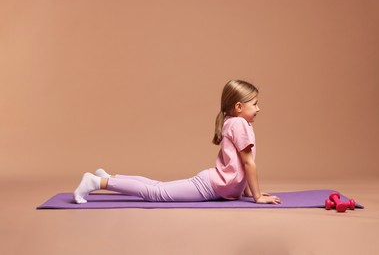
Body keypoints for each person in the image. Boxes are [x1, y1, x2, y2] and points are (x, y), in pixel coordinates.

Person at [73, 80, 281, 205]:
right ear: (238, 106)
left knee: (157, 186)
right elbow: (248, 164)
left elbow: (240, 164)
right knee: (157, 193)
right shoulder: (240, 125)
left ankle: (110, 177)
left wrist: (247, 192)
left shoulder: (233, 121)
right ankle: (98, 182)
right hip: (211, 186)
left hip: (214, 182)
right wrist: (256, 197)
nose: (258, 108)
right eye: (254, 104)